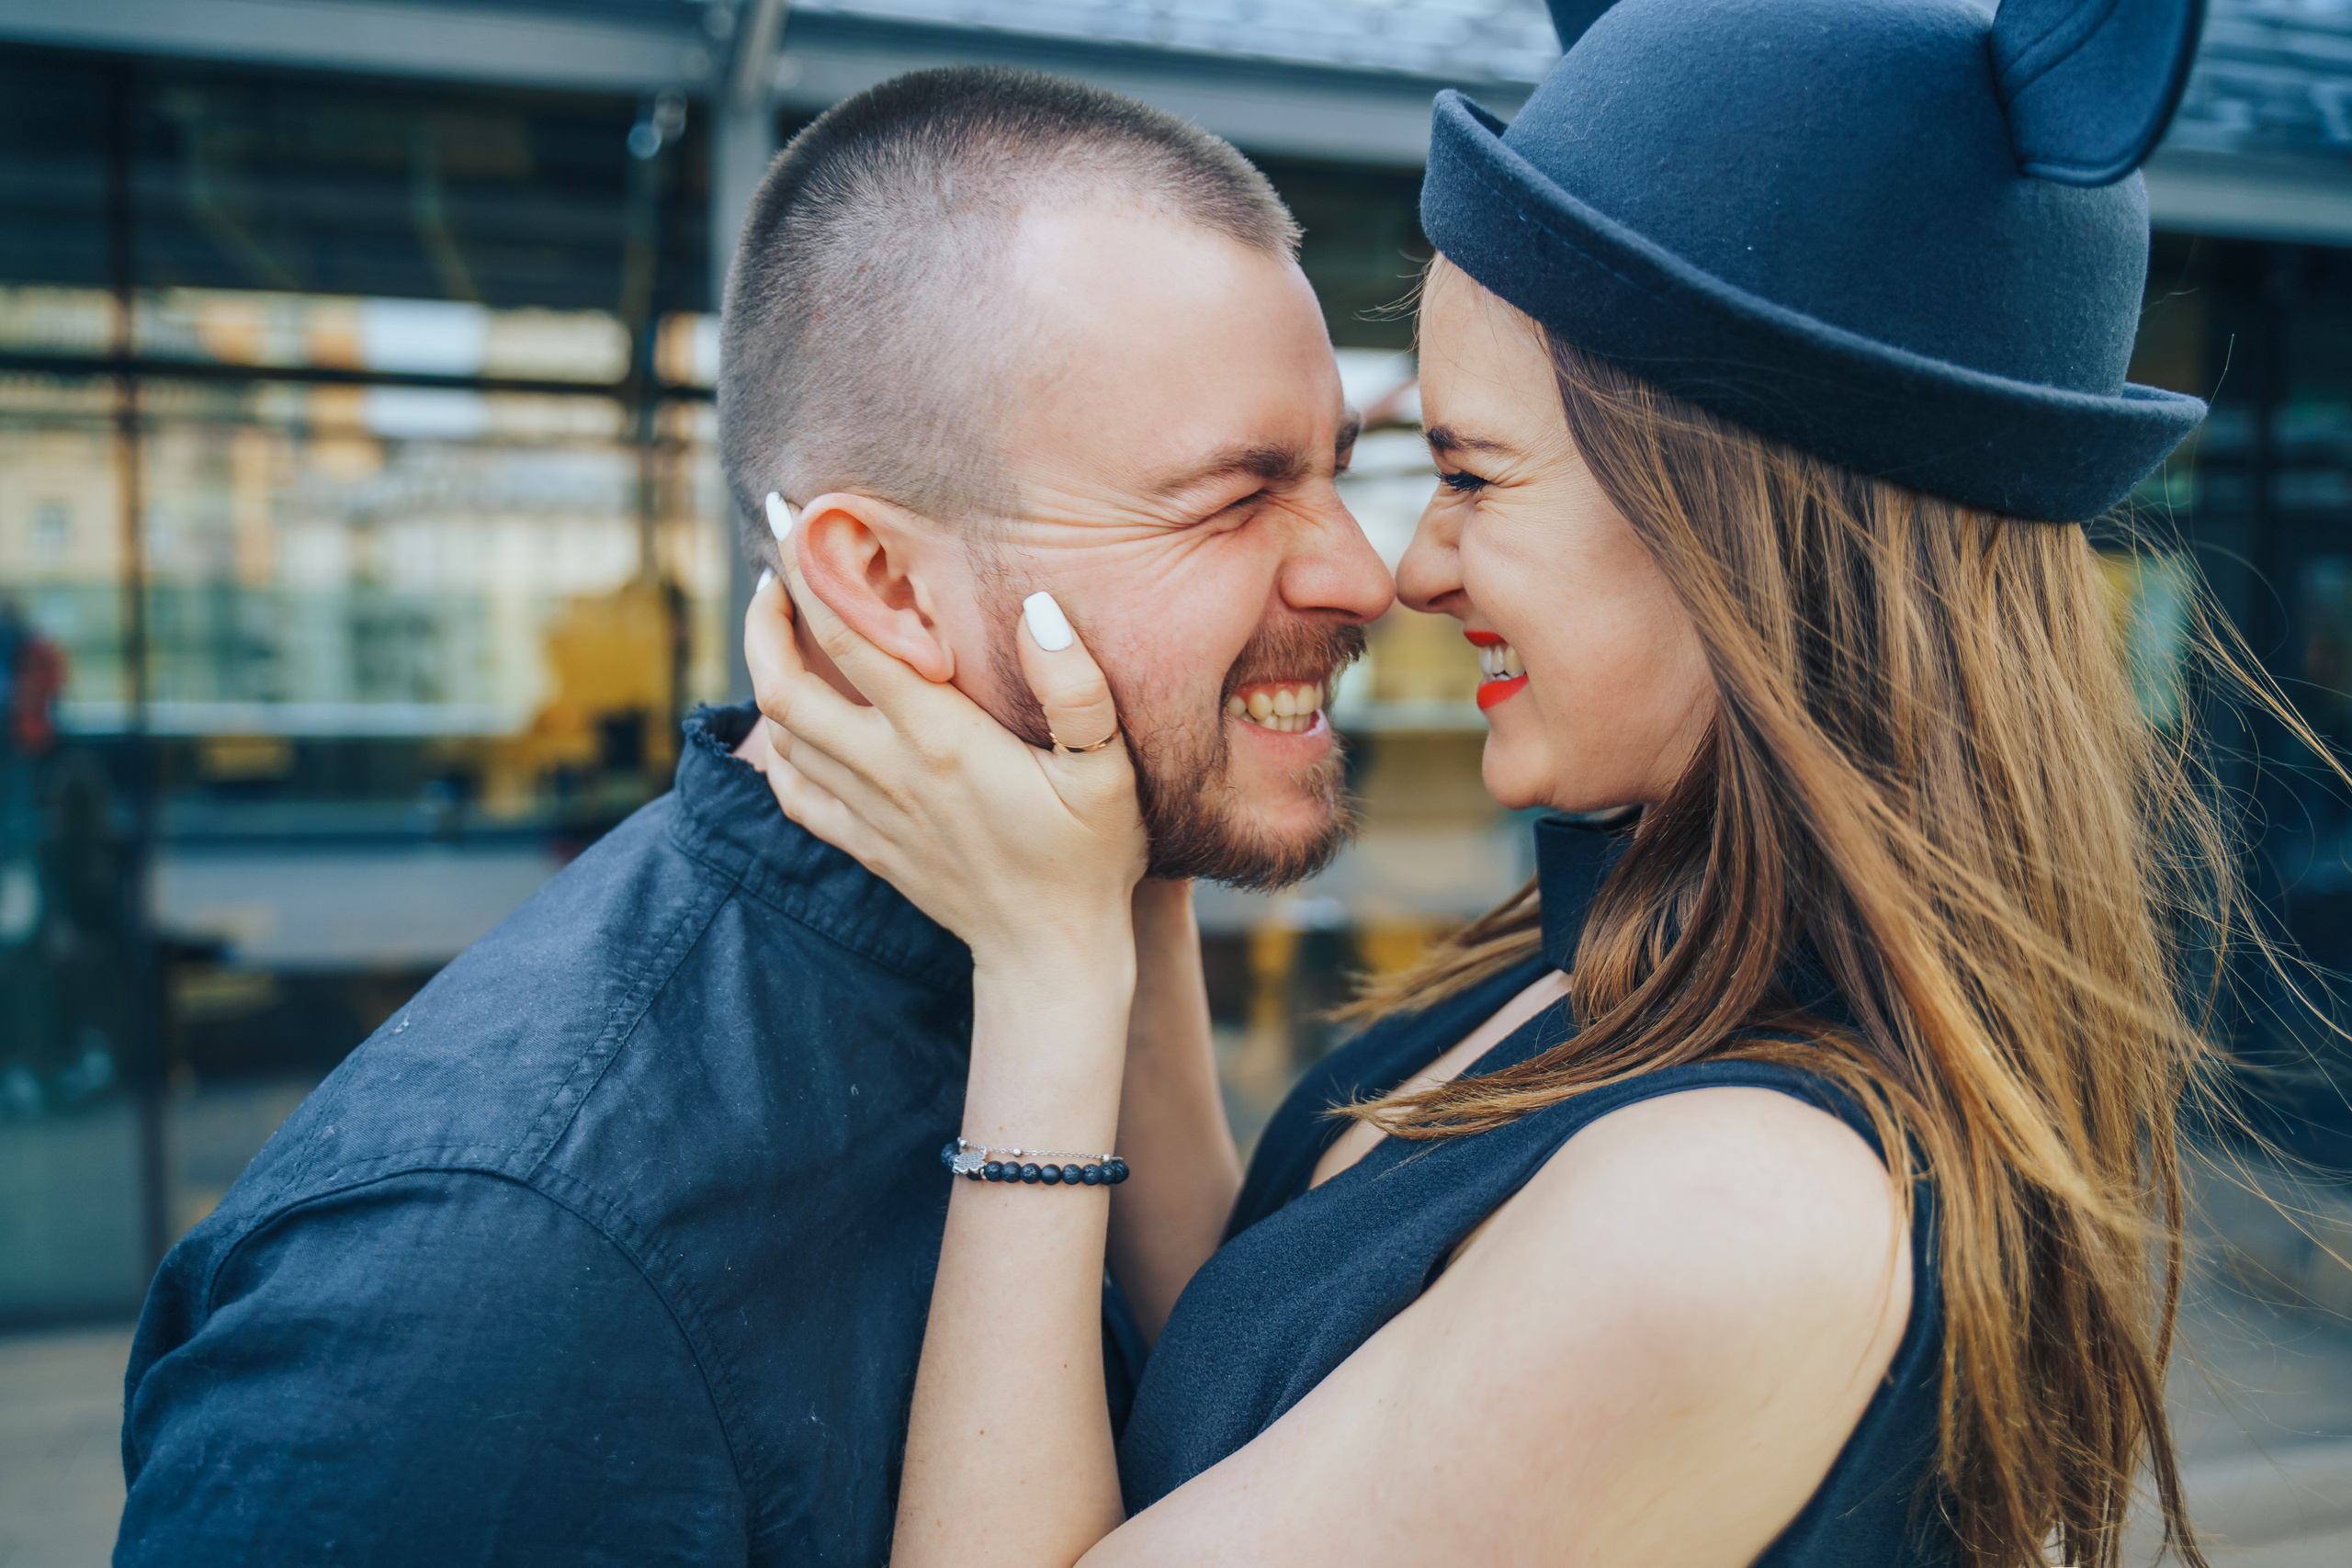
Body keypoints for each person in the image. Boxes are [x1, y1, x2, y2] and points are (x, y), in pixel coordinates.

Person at [744, 2, 2269, 1564]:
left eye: (1469, 474)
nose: (1410, 569)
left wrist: (1043, 976)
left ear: (1729, 525)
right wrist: (1124, 874)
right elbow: (1272, 1367)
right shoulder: (1633, 949)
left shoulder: (1724, 1220)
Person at [113, 67, 1387, 1566]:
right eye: (1234, 498)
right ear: (883, 583)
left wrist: (1126, 897)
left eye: (1337, 475)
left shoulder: (1064, 942)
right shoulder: (487, 1275)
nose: (1363, 575)